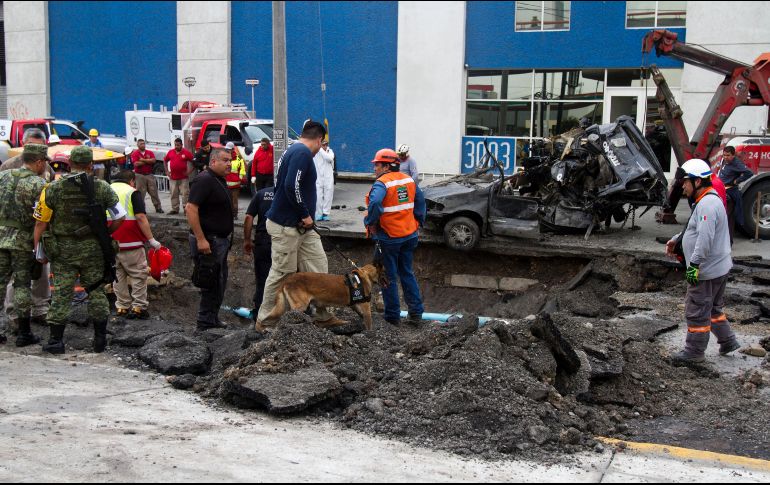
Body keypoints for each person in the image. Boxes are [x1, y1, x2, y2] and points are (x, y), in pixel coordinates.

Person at [33, 146, 127, 354]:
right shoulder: (101, 187)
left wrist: (38, 251)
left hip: (62, 251)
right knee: (96, 291)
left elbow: (41, 223)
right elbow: (120, 216)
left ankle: (56, 341)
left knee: (62, 294)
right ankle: (100, 340)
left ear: (69, 164)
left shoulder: (52, 188)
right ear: (91, 165)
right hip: (93, 248)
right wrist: (106, 233)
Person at [256, 120, 343, 327]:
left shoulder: (290, 151)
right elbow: (290, 185)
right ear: (320, 140)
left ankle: (322, 316)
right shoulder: (302, 153)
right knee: (281, 273)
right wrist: (304, 214)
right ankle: (265, 321)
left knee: (318, 267)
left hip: (302, 228)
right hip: (288, 227)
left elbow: (281, 185)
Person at [665, 159, 739, 364]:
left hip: (706, 270)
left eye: (686, 182)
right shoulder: (708, 200)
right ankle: (728, 340)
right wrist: (676, 240)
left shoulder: (707, 204)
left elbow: (705, 239)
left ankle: (694, 351)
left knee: (697, 309)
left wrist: (694, 266)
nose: (683, 186)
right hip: (719, 266)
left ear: (697, 182)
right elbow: (694, 229)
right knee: (713, 308)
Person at [1, 128, 54, 335]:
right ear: (39, 162)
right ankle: (23, 332)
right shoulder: (39, 183)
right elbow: (45, 215)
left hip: (1, 237)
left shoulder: (4, 175)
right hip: (24, 240)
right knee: (22, 284)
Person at [364, 148, 426, 326]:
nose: (375, 168)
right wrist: (418, 223)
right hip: (409, 235)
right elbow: (420, 204)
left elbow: (375, 203)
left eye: (377, 165)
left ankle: (392, 317)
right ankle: (415, 314)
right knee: (406, 272)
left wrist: (370, 221)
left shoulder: (382, 183)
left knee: (388, 277)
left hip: (389, 238)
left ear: (386, 166)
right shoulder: (408, 180)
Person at [186, 148, 234, 331]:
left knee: (219, 281)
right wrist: (201, 239)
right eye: (225, 160)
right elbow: (191, 208)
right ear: (213, 161)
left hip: (219, 240)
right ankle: (204, 323)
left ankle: (212, 319)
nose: (229, 163)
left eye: (230, 160)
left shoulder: (217, 180)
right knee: (210, 280)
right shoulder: (205, 179)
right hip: (209, 241)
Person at [109, 170, 163, 320]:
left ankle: (122, 307)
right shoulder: (132, 192)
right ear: (131, 180)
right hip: (130, 241)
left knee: (117, 276)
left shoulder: (105, 190)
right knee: (138, 274)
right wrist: (151, 239)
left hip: (110, 242)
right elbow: (140, 216)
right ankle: (138, 307)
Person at [243, 184, 274, 319]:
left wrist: (247, 240)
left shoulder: (261, 194)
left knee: (262, 279)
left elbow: (249, 217)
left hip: (263, 241)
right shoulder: (287, 193)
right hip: (282, 242)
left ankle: (259, 314)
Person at [718, 146, 755, 243]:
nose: (725, 157)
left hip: (730, 192)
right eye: (724, 155)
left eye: (728, 155)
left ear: (733, 155)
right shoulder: (725, 161)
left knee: (728, 219)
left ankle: (728, 242)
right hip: (722, 190)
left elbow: (749, 173)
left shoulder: (737, 163)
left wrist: (737, 181)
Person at [130, 139, 164, 213]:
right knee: (141, 194)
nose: (143, 145)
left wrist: (143, 160)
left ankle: (158, 208)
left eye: (143, 143)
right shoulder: (134, 154)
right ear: (137, 145)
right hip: (139, 176)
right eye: (141, 144)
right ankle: (141, 209)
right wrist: (148, 161)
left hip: (149, 175)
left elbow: (154, 161)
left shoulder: (149, 152)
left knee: (154, 192)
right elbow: (136, 164)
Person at [164, 138, 194, 214]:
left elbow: (194, 162)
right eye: (175, 145)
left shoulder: (186, 153)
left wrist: (189, 172)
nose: (176, 146)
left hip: (184, 178)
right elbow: (165, 160)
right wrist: (167, 171)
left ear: (181, 145)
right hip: (173, 178)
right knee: (174, 194)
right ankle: (175, 209)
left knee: (185, 194)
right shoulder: (170, 152)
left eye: (178, 145)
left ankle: (186, 209)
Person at [314, 140, 335, 221]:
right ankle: (318, 213)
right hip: (318, 176)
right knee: (318, 195)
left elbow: (329, 158)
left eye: (326, 144)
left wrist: (320, 149)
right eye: (323, 145)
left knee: (328, 194)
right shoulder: (316, 153)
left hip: (328, 176)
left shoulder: (330, 151)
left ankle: (326, 213)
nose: (325, 146)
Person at [225, 142, 247, 218]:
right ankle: (228, 214)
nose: (227, 150)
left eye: (229, 149)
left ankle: (235, 215)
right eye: (227, 149)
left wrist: (239, 179)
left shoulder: (239, 159)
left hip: (235, 184)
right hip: (226, 183)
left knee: (234, 201)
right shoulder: (224, 157)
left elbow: (242, 170)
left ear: (232, 149)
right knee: (227, 200)